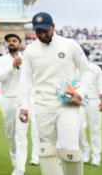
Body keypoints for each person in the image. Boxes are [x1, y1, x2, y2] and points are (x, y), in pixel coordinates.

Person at [19, 12, 93, 175]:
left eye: (46, 30)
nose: (43, 35)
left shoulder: (69, 45)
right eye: (39, 32)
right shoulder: (30, 51)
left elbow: (87, 72)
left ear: (53, 27)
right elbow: (25, 80)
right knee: (46, 150)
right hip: (43, 105)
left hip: (68, 104)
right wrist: (24, 106)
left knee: (69, 151)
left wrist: (80, 93)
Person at [0, 33, 30, 175]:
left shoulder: (27, 60)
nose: (11, 43)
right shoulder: (1, 60)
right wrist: (12, 67)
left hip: (23, 101)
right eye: (8, 41)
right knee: (10, 134)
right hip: (7, 99)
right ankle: (15, 162)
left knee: (21, 134)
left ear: (20, 43)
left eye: (14, 40)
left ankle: (20, 169)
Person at [78, 48, 102, 166]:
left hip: (94, 101)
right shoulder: (75, 69)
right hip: (79, 101)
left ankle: (96, 155)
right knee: (78, 127)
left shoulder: (95, 68)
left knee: (95, 129)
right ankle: (85, 151)